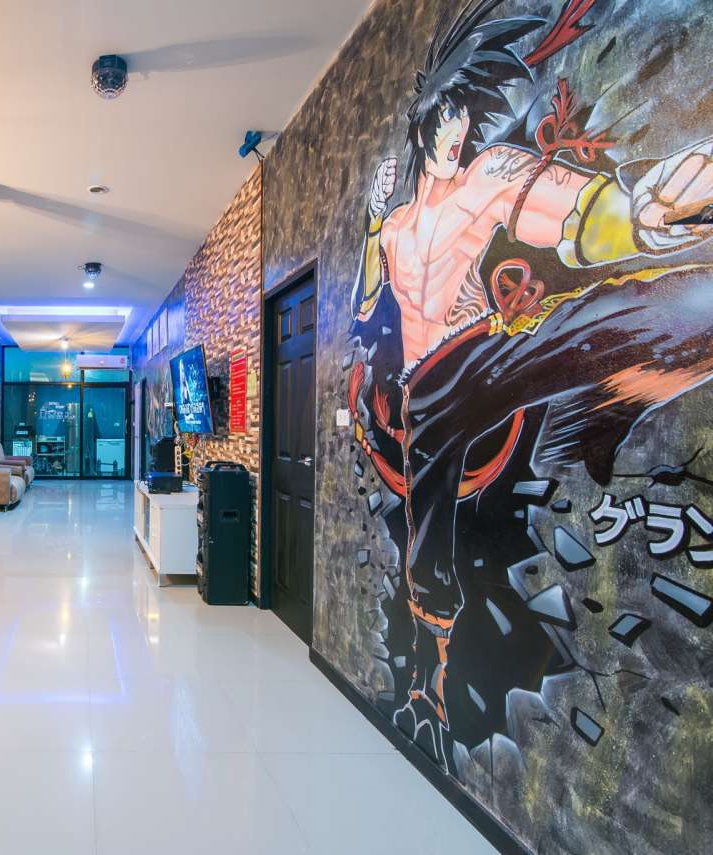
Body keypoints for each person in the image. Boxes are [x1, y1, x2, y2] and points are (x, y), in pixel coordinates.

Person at [349, 0, 713, 756]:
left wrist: (637, 214)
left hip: (479, 352)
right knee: (429, 416)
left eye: (462, 121)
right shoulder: (397, 227)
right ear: (422, 126)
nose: (455, 136)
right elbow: (362, 302)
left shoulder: (488, 178)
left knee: (570, 326)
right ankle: (431, 676)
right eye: (444, 122)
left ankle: (685, 306)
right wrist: (372, 221)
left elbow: (564, 209)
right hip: (425, 394)